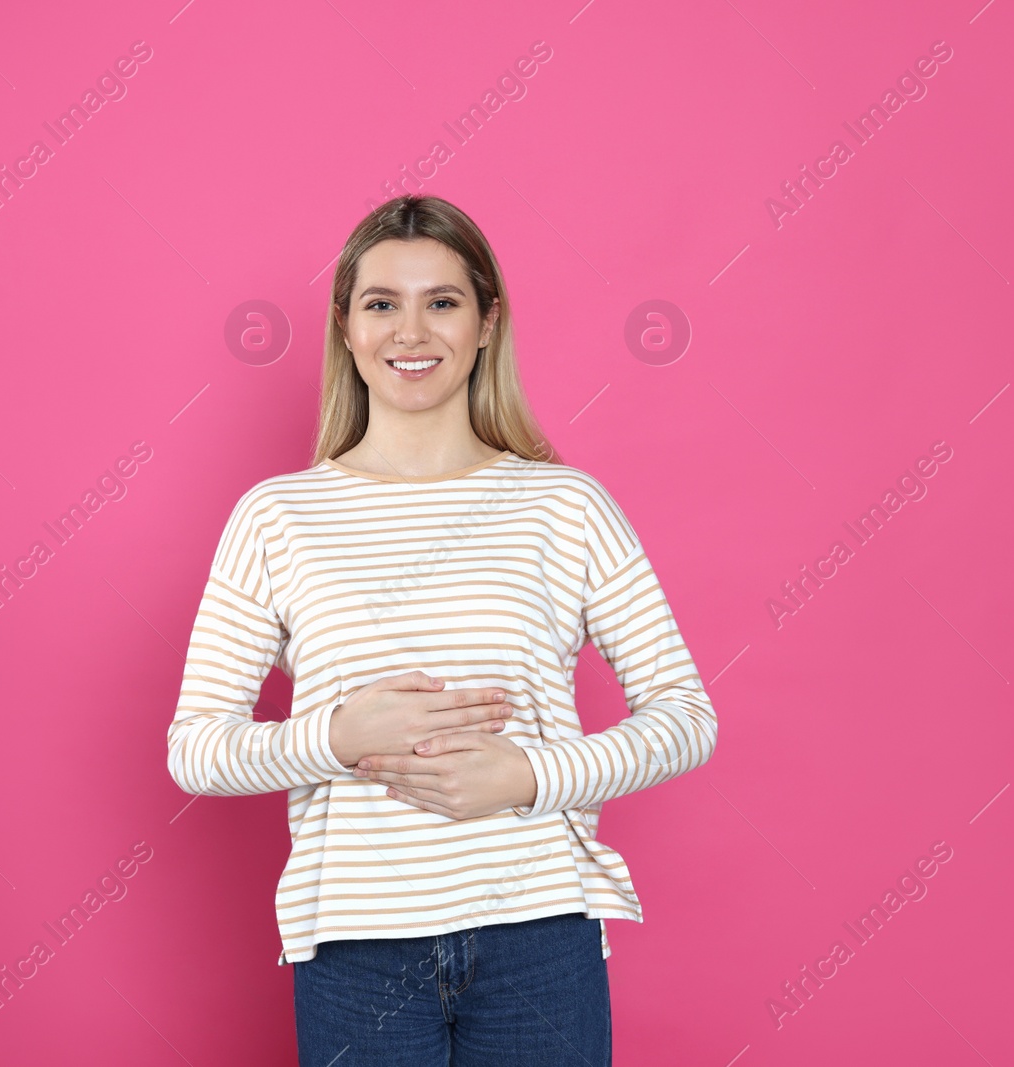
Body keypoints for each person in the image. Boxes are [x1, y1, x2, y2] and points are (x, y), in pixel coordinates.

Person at [166, 194, 717, 1066]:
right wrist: (338, 736)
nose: (410, 331)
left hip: (538, 934)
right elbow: (195, 746)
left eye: (443, 301)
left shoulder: (563, 505)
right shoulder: (278, 517)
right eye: (382, 303)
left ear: (487, 322)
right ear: (346, 328)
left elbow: (685, 715)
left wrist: (531, 776)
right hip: (354, 945)